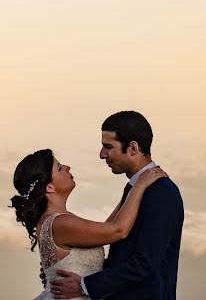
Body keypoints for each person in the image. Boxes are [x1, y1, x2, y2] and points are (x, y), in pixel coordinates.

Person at [49, 111, 184, 299]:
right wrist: (66, 268)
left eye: (108, 147)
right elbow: (121, 259)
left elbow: (144, 263)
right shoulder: (136, 188)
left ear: (133, 148)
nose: (102, 154)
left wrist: (84, 286)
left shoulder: (161, 192)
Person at [11, 147, 167, 300]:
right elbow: (118, 230)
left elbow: (104, 228)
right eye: (59, 168)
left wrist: (130, 189)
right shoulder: (60, 222)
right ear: (49, 187)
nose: (67, 167)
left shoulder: (55, 220)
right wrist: (139, 186)